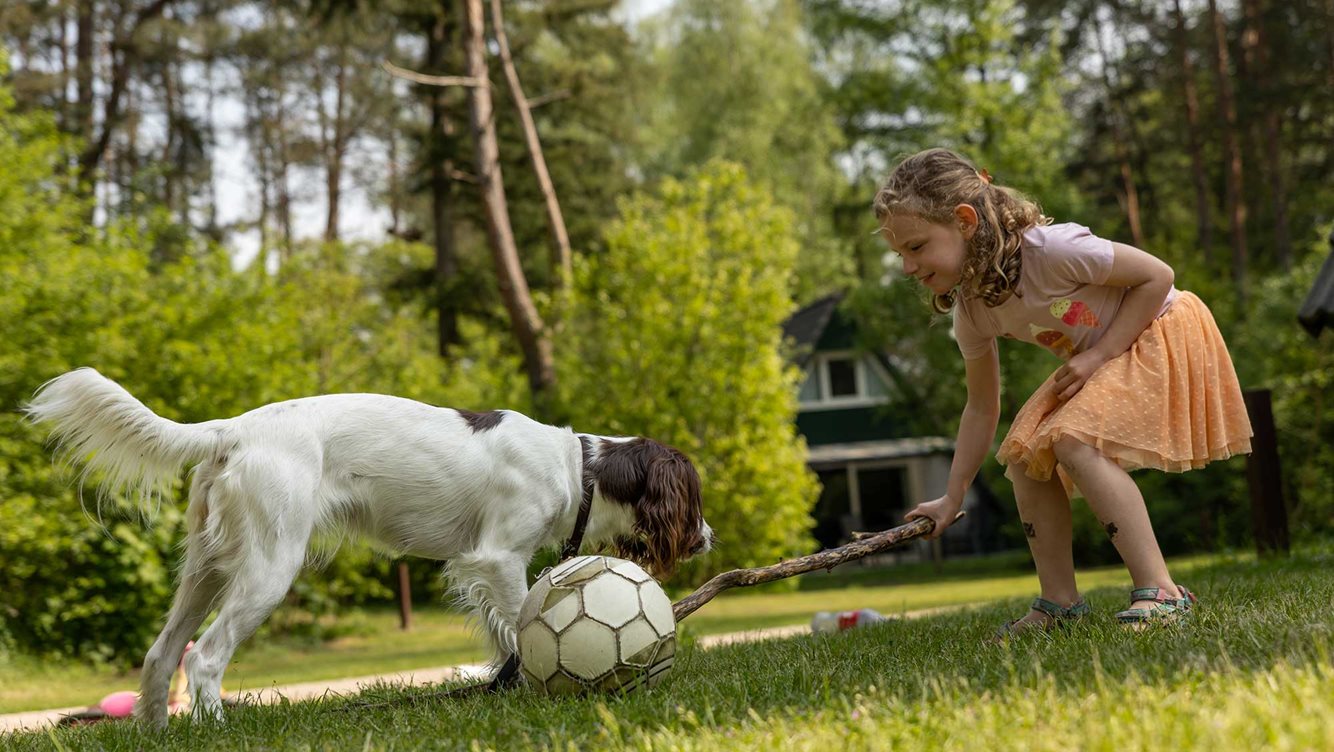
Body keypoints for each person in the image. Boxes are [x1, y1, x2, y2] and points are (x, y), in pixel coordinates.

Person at [875, 148, 1252, 635]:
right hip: (1105, 356)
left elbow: (1158, 276)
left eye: (916, 246)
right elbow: (981, 407)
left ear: (965, 221)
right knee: (1023, 457)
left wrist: (1098, 355)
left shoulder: (1052, 251)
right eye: (899, 254)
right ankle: (1060, 605)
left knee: (1072, 439)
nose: (907, 267)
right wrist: (952, 496)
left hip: (1161, 331)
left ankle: (1162, 593)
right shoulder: (974, 310)